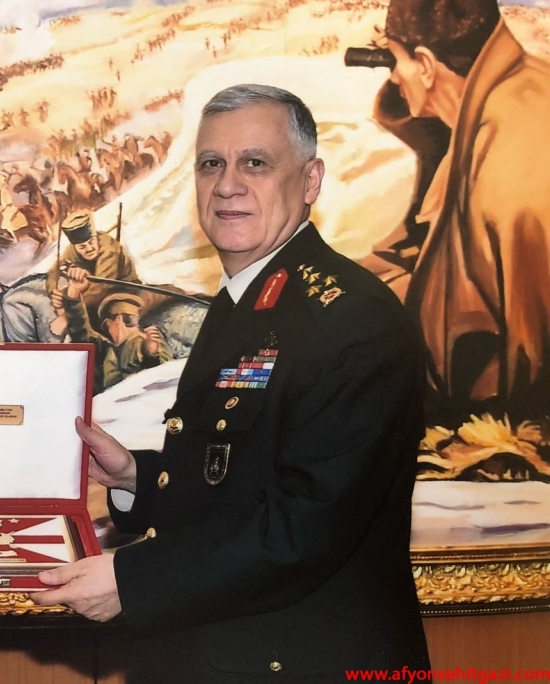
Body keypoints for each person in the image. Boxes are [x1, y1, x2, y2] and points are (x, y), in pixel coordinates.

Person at [36, 84, 430, 681]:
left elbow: (307, 525)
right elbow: (238, 483)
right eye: (210, 164)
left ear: (311, 180)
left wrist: (133, 580)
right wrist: (136, 476)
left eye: (256, 163)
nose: (227, 185)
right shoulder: (249, 299)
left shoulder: (351, 319)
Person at [352, 0, 550, 430]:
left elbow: (526, 360)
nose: (394, 77)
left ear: (425, 64)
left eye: (396, 62)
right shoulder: (513, 93)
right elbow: (424, 254)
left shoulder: (510, 167)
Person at [57, 270, 171, 393]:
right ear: (108, 324)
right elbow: (79, 329)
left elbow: (166, 381)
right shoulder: (104, 349)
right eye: (118, 319)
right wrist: (74, 293)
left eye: (130, 320)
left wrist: (153, 356)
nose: (122, 325)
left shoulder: (149, 341)